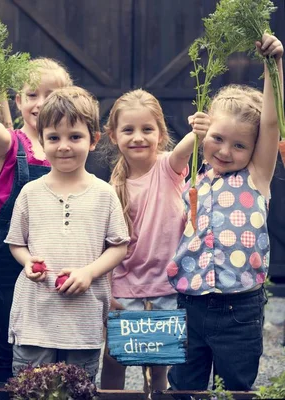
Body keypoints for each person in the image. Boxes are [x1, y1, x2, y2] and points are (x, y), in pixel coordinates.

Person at [167, 33, 283, 392]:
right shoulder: (197, 177)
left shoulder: (255, 177)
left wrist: (273, 66)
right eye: (217, 138)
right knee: (184, 385)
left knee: (235, 386)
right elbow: (177, 158)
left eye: (239, 145)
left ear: (254, 149)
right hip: (190, 304)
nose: (226, 150)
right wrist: (196, 134)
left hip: (239, 309)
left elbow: (270, 123)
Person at [4, 86, 130, 379]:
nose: (64, 146)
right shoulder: (30, 193)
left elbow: (118, 246)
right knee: (31, 387)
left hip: (82, 319)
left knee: (78, 386)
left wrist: (89, 273)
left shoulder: (104, 194)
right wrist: (28, 262)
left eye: (75, 137)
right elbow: (16, 243)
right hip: (35, 316)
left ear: (94, 140)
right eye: (54, 138)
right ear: (41, 140)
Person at [0, 58, 77, 385]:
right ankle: (3, 388)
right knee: (9, 333)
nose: (40, 102)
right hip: (11, 255)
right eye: (32, 94)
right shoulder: (15, 143)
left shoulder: (68, 147)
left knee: (55, 332)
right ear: (18, 102)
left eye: (51, 94)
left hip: (58, 252)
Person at [99, 89, 209, 391]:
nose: (138, 137)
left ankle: (156, 396)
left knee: (159, 359)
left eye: (147, 129)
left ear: (160, 134)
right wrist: (109, 292)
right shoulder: (112, 186)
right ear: (113, 135)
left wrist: (200, 128)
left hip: (166, 284)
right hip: (126, 286)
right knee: (115, 357)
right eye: (128, 130)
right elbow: (108, 244)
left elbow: (187, 147)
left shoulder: (168, 168)